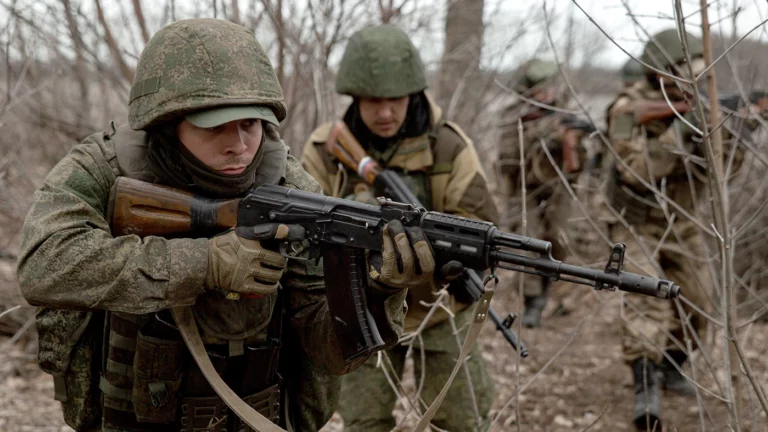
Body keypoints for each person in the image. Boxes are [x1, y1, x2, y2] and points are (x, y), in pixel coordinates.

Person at [16, 19, 431, 432]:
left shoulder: (288, 184)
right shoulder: (103, 168)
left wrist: (379, 290)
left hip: (252, 417)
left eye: (250, 124)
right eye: (215, 126)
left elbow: (325, 349)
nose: (239, 144)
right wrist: (203, 263)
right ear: (167, 123)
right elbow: (43, 266)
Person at [301, 25, 497, 432]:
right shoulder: (326, 149)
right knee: (364, 421)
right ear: (355, 97)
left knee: (462, 421)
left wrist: (446, 261)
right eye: (373, 101)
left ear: (414, 95)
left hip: (441, 309)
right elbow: (303, 230)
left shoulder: (449, 147)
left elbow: (478, 225)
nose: (385, 113)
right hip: (363, 306)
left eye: (395, 100)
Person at [605, 28, 737, 430]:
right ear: (660, 70)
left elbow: (724, 173)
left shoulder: (704, 104)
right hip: (634, 220)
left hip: (683, 221)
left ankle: (670, 367)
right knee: (646, 300)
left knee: (699, 304)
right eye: (680, 70)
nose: (688, 77)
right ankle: (645, 387)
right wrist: (681, 129)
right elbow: (633, 173)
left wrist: (726, 133)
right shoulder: (628, 108)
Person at [496, 59, 593, 327]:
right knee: (527, 241)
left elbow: (582, 167)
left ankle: (548, 284)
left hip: (559, 190)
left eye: (548, 88)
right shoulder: (514, 116)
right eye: (539, 89)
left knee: (559, 239)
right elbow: (506, 161)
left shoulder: (565, 114)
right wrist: (538, 139)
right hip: (523, 190)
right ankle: (533, 302)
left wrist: (570, 144)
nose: (545, 94)